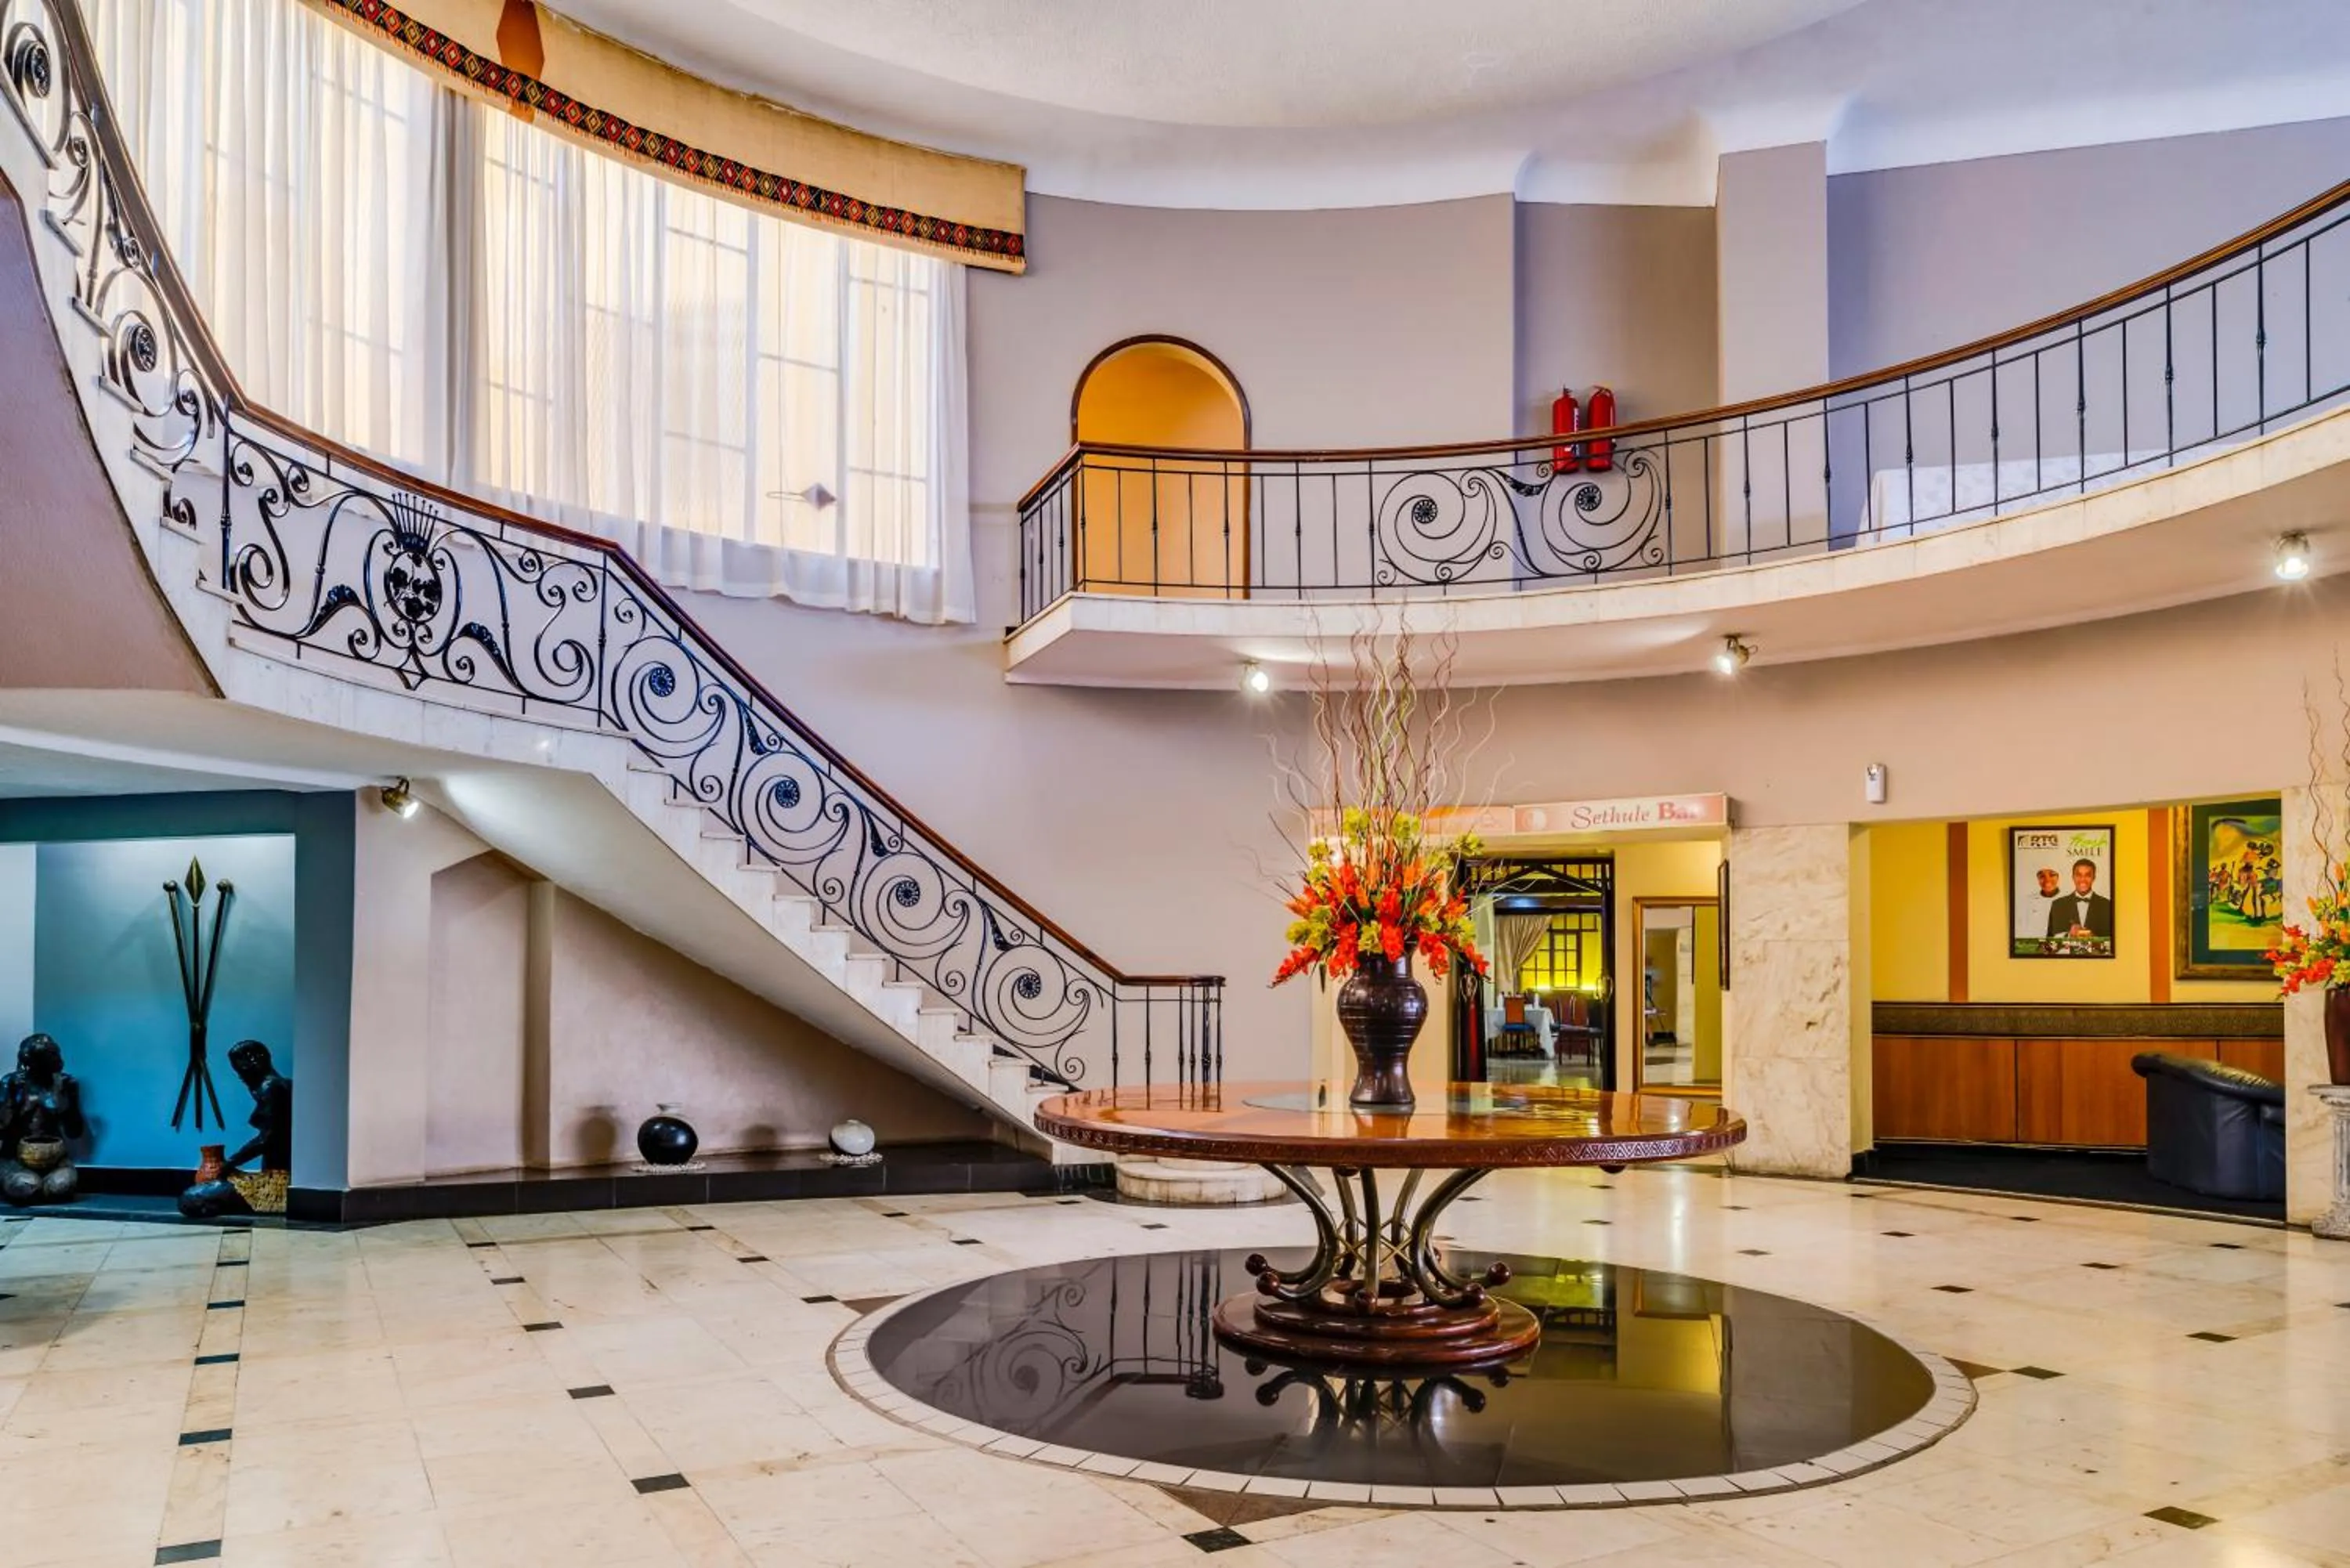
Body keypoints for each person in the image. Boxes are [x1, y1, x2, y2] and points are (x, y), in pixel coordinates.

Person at [0, 1033, 85, 1205]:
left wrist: (66, 1101)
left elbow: (75, 1132)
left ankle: (45, 1186)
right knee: (27, 1186)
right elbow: (2, 1129)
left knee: (61, 1186)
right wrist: (11, 1098)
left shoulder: (65, 1084)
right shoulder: (12, 1083)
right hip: (15, 1158)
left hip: (55, 1158)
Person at [2045, 858, 2114, 942]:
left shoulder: (2107, 905)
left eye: (2088, 875)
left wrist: (2095, 939)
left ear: (2094, 878)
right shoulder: (2057, 905)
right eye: (2078, 875)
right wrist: (2068, 935)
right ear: (2073, 877)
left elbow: (2114, 944)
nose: (2083, 879)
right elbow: (2049, 943)